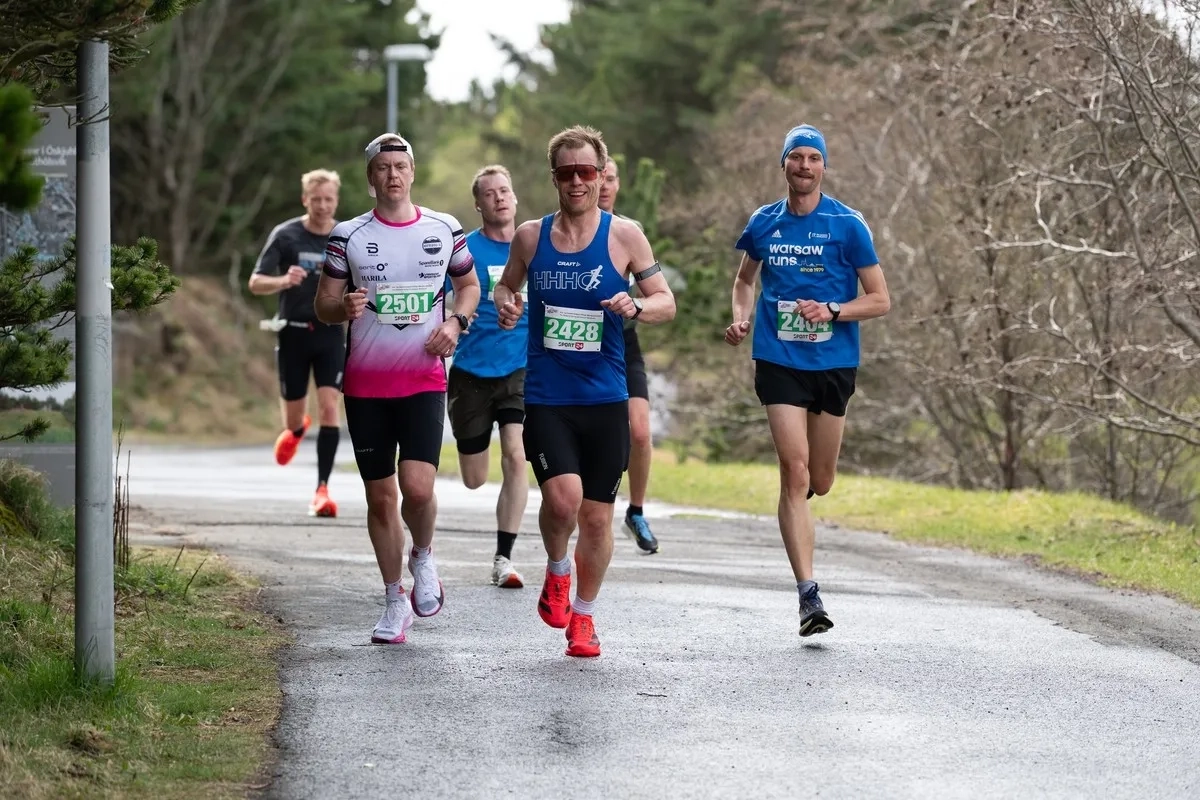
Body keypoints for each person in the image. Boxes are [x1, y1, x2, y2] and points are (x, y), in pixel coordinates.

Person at [495, 125, 676, 658]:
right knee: (562, 499)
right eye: (567, 173)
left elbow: (665, 299)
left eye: (587, 172)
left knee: (596, 517)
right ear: (554, 178)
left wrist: (636, 305)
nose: (578, 181)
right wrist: (507, 302)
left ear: (601, 176)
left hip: (605, 398)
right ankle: (556, 570)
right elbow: (508, 284)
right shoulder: (530, 236)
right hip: (550, 396)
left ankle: (585, 616)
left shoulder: (625, 236)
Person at [724, 124, 891, 637]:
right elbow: (744, 280)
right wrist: (742, 317)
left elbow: (880, 299)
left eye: (812, 158)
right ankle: (808, 595)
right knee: (794, 474)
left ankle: (807, 502)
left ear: (823, 167)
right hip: (778, 360)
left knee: (820, 479)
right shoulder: (764, 223)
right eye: (795, 157)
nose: (803, 166)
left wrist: (834, 309)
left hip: (834, 364)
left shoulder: (848, 225)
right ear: (784, 165)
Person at [314, 133, 481, 645]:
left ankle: (423, 555)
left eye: (400, 166)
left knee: (418, 488)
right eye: (383, 167)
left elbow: (468, 285)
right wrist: (341, 309)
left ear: (413, 172)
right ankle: (393, 599)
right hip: (365, 385)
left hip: (423, 379)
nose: (392, 175)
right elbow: (323, 304)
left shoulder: (443, 228)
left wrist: (456, 323)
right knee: (381, 498)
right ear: (371, 178)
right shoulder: (348, 236)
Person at [446, 165, 529, 589]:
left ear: (514, 198)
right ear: (478, 204)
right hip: (470, 373)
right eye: (490, 193)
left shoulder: (533, 247)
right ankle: (475, 453)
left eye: (505, 190)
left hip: (520, 368)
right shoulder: (464, 252)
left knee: (516, 454)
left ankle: (504, 558)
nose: (500, 198)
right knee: (475, 478)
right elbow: (444, 303)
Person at [248, 169, 345, 518]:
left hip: (331, 333)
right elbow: (255, 282)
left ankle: (322, 490)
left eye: (328, 199)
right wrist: (283, 280)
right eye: (315, 199)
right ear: (305, 199)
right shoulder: (286, 234)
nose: (322, 205)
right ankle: (298, 427)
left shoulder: (345, 236)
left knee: (331, 408)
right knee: (292, 420)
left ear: (336, 200)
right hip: (292, 332)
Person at [597, 156, 658, 554]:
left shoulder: (628, 232)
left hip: (623, 343)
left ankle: (635, 511)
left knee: (638, 430)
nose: (602, 184)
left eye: (611, 178)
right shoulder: (557, 233)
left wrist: (634, 305)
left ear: (619, 186)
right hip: (577, 351)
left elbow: (656, 296)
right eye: (596, 176)